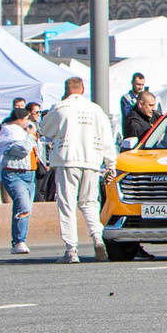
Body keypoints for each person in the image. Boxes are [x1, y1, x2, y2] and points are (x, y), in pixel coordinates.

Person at [39, 76, 117, 262]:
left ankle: (71, 250)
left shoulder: (60, 107)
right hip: (92, 160)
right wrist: (110, 164)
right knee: (90, 203)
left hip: (67, 159)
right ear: (82, 90)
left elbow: (45, 129)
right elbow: (108, 139)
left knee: (67, 204)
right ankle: (97, 237)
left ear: (67, 90)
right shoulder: (96, 110)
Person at [0, 105, 39, 252]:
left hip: (29, 173)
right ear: (20, 120)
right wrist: (30, 136)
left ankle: (17, 241)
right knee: (24, 206)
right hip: (14, 173)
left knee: (24, 208)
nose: (28, 122)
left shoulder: (23, 132)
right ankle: (20, 241)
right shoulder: (10, 133)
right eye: (26, 119)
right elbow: (23, 149)